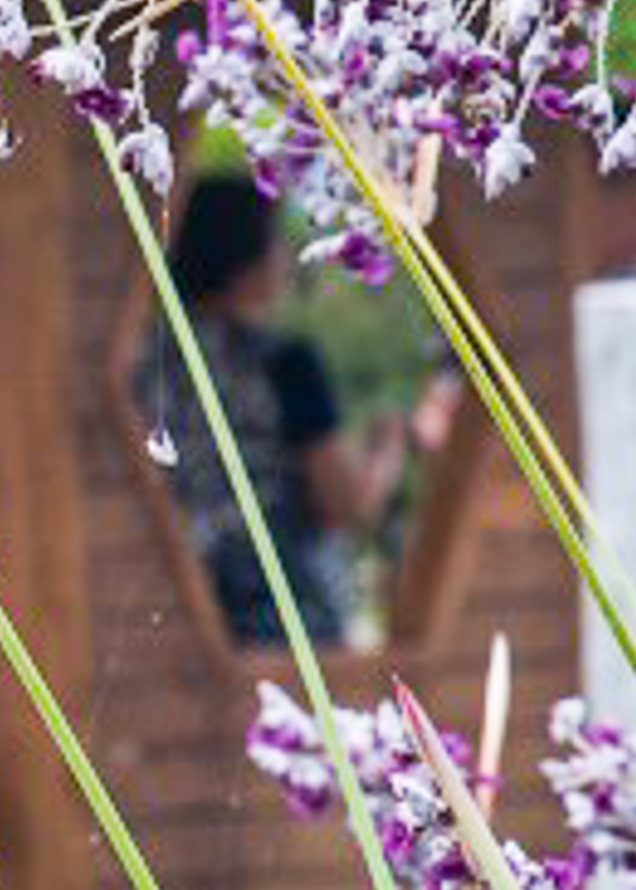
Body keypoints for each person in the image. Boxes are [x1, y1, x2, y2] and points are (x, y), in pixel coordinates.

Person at [135, 174, 455, 649]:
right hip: (286, 616)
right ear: (246, 262)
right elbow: (345, 505)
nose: (286, 257)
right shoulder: (283, 362)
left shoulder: (149, 361)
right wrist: (391, 438)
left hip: (174, 616)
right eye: (276, 244)